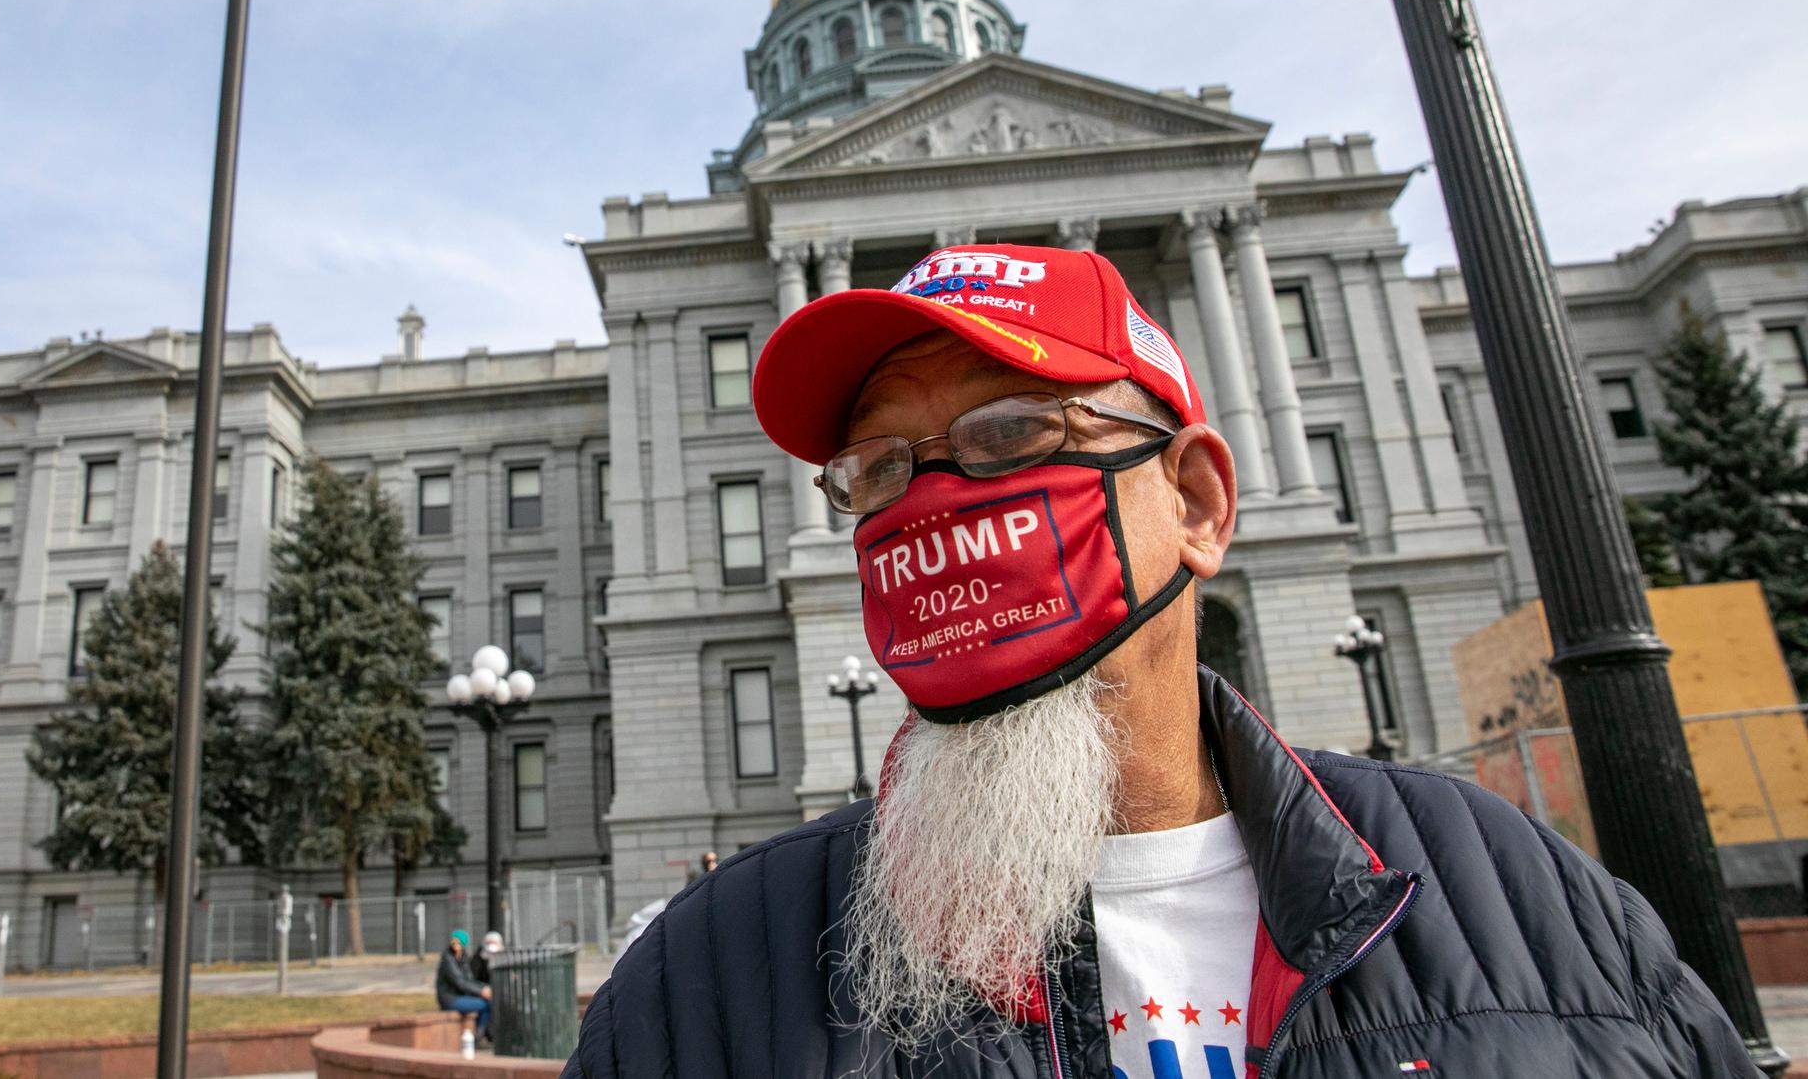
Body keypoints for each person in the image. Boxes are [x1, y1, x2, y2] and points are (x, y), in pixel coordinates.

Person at [566, 244, 1763, 1077]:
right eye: (879, 470)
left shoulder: (1514, 896)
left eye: (1009, 432)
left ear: (1193, 499)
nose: (930, 503)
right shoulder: (713, 973)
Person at [435, 929, 491, 1053]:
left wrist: (484, 988)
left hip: (460, 997)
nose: (455, 944)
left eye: (458, 942)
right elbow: (460, 982)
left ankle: (479, 1037)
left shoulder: (463, 958)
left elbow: (469, 980)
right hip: (449, 999)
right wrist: (481, 992)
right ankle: (478, 1040)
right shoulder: (447, 959)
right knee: (485, 1004)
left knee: (487, 1002)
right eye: (453, 941)